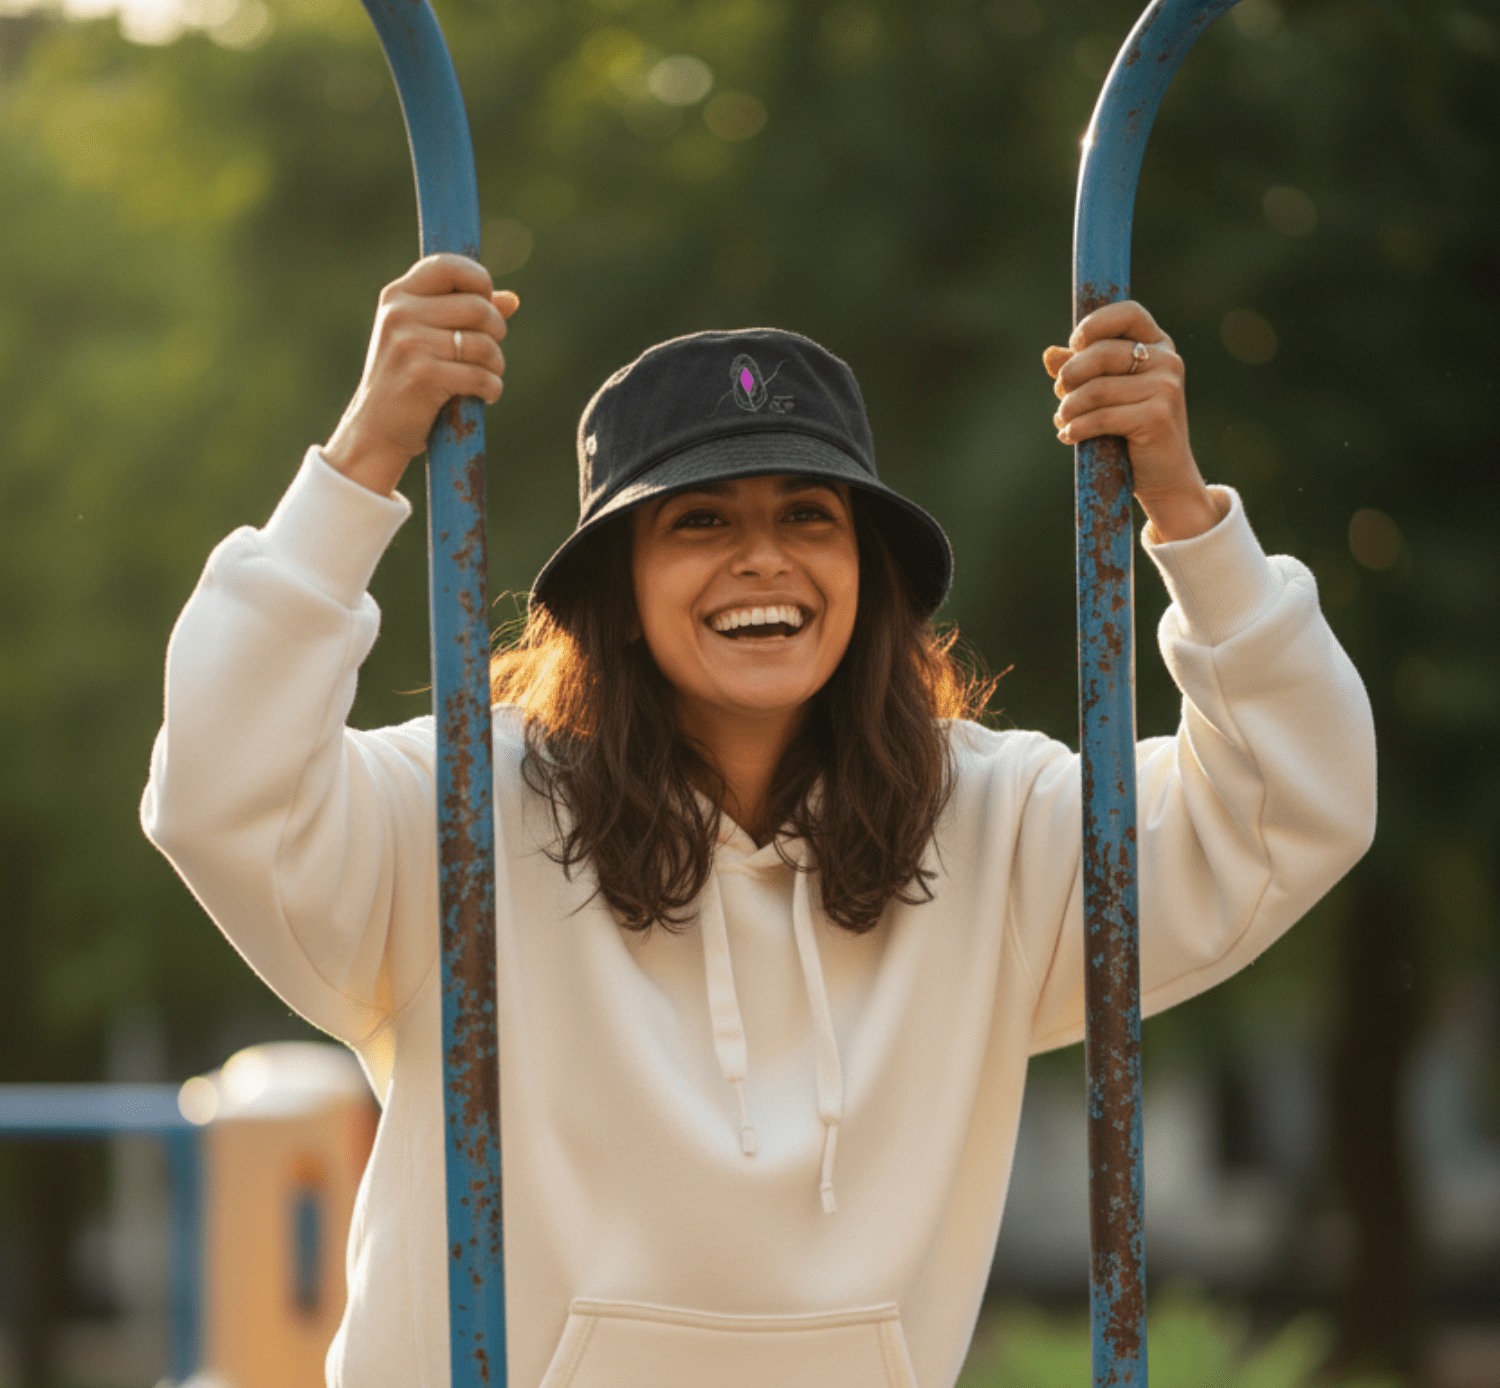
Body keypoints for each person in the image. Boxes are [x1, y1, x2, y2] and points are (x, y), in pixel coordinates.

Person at [142, 254, 1375, 1388]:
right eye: (701, 521)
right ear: (618, 589)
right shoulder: (463, 814)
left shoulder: (997, 825)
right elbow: (219, 789)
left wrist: (1183, 510)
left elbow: (1296, 807)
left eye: (807, 515)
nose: (764, 559)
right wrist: (365, 453)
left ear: (868, 572)